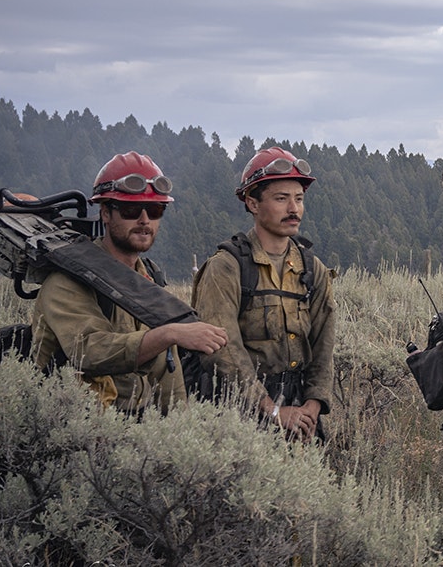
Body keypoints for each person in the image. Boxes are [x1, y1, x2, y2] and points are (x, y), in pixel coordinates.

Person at [32, 152, 228, 414]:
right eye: (131, 210)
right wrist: (169, 333)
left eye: (155, 210)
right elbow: (89, 352)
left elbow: (164, 363)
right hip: (73, 426)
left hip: (134, 424)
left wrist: (181, 425)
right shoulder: (68, 280)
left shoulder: (146, 279)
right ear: (105, 214)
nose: (144, 220)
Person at [190, 146, 336, 441]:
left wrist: (314, 404)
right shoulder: (227, 268)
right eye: (281, 199)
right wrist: (269, 409)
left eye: (299, 199)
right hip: (237, 413)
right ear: (252, 203)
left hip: (299, 411)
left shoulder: (312, 268)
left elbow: (324, 344)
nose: (293, 209)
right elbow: (223, 349)